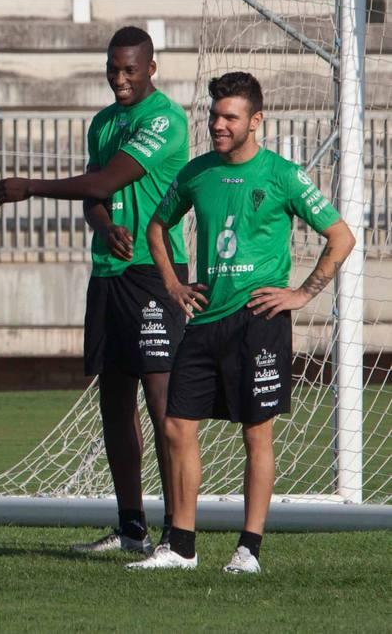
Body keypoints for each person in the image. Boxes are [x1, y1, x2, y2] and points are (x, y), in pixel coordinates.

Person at [130, 72, 353, 574]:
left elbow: (340, 236)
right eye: (213, 115)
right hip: (205, 318)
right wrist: (172, 285)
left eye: (229, 116)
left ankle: (248, 548)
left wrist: (301, 293)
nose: (217, 125)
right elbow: (157, 226)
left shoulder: (283, 175)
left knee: (256, 432)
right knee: (175, 424)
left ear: (257, 121)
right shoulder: (196, 172)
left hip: (259, 320)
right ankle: (182, 545)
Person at [0, 26, 188, 553]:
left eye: (130, 69)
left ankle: (177, 532)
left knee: (162, 403)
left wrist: (29, 187)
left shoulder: (166, 119)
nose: (119, 79)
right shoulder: (103, 123)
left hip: (155, 272)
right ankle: (131, 529)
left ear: (151, 68)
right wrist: (105, 229)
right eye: (112, 68)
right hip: (108, 274)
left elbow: (102, 183)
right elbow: (94, 199)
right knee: (114, 404)